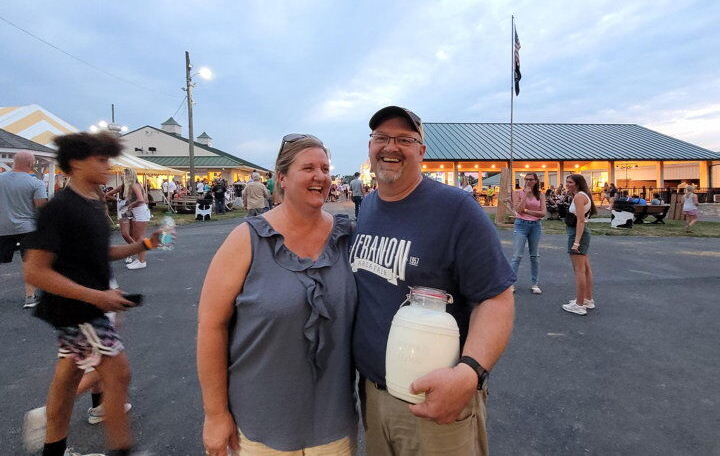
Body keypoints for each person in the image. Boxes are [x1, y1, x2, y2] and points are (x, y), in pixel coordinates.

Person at [352, 106, 515, 456]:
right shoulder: (366, 208)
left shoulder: (456, 209)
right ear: (369, 146)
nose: (390, 147)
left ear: (422, 151)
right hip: (373, 396)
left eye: (404, 139)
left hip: (435, 402)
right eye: (381, 137)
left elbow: (497, 298)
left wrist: (469, 373)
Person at [197, 134, 356, 455]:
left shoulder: (347, 237)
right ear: (281, 178)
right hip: (260, 428)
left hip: (333, 427)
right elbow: (211, 326)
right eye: (308, 167)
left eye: (325, 168)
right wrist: (215, 414)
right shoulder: (247, 239)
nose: (320, 176)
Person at [22, 132, 165, 456]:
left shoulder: (94, 201)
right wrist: (96, 297)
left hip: (85, 307)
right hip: (79, 310)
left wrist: (144, 244)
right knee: (118, 374)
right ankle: (122, 450)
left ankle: (52, 447)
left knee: (69, 378)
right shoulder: (59, 208)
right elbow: (35, 271)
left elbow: (99, 253)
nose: (108, 166)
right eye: (100, 159)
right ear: (75, 163)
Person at [0, 150, 48, 308]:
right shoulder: (36, 183)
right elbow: (41, 207)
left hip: (2, 227)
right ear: (31, 164)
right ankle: (29, 297)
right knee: (29, 262)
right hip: (28, 228)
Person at [562, 174, 597, 316]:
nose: (567, 184)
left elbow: (581, 221)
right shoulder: (582, 195)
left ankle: (580, 304)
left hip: (578, 234)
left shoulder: (579, 197)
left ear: (577, 183)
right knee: (586, 269)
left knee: (579, 270)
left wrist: (576, 242)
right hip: (581, 234)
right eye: (567, 182)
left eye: (570, 182)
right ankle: (587, 299)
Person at [510, 172, 546, 294]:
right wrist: (526, 195)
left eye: (531, 179)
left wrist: (526, 210)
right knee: (517, 256)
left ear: (536, 181)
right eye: (526, 179)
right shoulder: (517, 193)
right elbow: (518, 210)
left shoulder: (540, 195)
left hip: (535, 226)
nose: (528, 181)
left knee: (534, 255)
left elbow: (543, 213)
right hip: (521, 224)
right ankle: (511, 284)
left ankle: (535, 284)